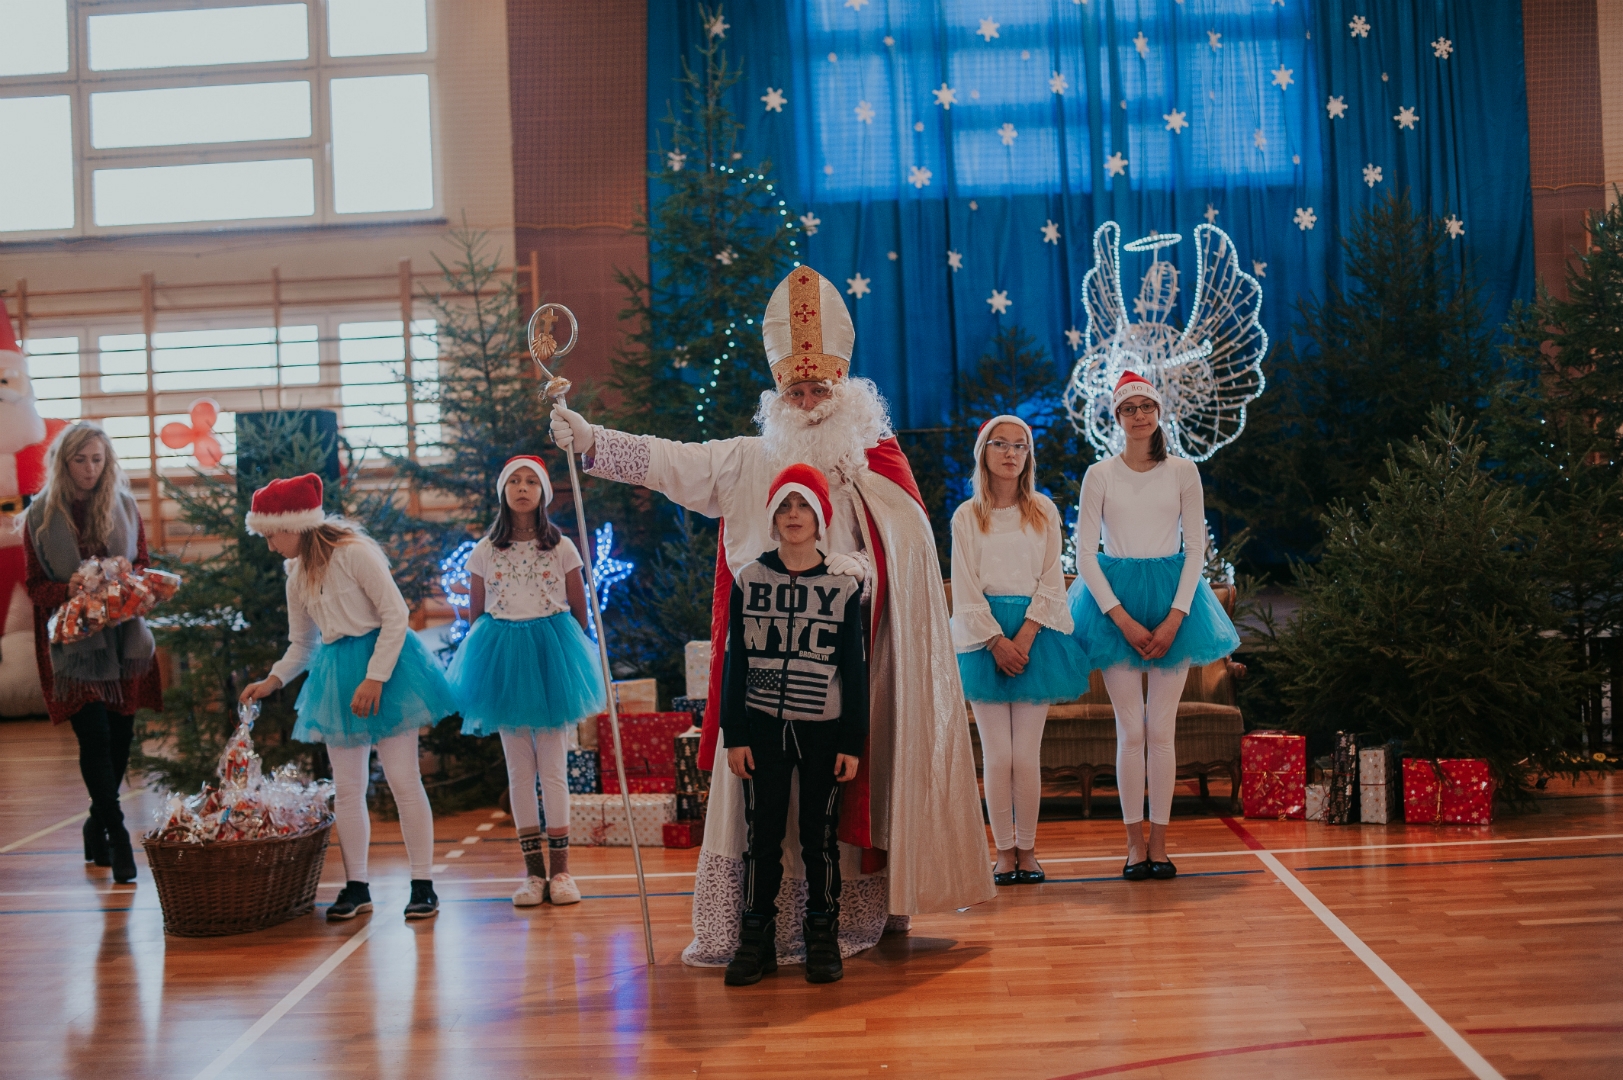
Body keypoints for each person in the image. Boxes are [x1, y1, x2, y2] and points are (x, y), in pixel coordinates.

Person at [550, 265, 994, 968]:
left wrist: (859, 576)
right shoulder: (747, 460)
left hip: (846, 666)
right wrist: (592, 441)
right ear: (778, 395)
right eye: (797, 390)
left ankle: (838, 921)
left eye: (821, 389)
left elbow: (907, 559)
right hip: (760, 665)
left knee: (833, 801)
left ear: (845, 389)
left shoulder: (873, 463)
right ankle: (753, 929)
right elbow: (671, 462)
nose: (809, 402)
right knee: (760, 809)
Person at [239, 473, 456, 920]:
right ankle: (357, 886)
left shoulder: (356, 553)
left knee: (403, 779)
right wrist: (273, 680)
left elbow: (395, 614)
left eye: (271, 535)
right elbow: (303, 644)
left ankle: (423, 884)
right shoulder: (295, 575)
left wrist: (375, 678)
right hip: (337, 674)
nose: (270, 546)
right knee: (348, 788)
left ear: (294, 525)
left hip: (388, 669)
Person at [1068, 373, 1240, 881]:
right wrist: (1119, 618)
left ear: (1158, 413)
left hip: (1173, 602)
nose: (1139, 415)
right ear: (1117, 417)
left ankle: (1159, 845)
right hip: (1114, 605)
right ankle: (1132, 846)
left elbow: (1195, 549)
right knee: (1130, 730)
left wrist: (1175, 618)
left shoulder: (1183, 471)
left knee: (1161, 730)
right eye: (1129, 408)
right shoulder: (1099, 475)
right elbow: (1085, 554)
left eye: (1146, 406)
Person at [721, 465, 867, 986]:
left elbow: (854, 667)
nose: (793, 515)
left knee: (818, 837)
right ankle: (755, 937)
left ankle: (822, 934)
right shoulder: (749, 579)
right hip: (762, 728)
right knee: (762, 837)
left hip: (824, 729)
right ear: (772, 516)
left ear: (820, 515)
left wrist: (852, 740)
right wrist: (734, 734)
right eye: (784, 506)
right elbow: (734, 662)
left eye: (803, 505)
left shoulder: (841, 585)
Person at [446, 456, 604, 908]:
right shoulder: (484, 550)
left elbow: (579, 612)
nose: (521, 488)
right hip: (503, 657)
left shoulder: (562, 547)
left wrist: (567, 658)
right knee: (519, 771)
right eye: (513, 481)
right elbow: (477, 615)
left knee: (553, 769)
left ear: (543, 493)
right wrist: (492, 660)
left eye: (530, 481)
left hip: (552, 656)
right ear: (503, 491)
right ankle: (533, 874)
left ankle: (561, 872)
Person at [950, 416, 1088, 887]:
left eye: (1020, 446)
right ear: (983, 453)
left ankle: (1027, 851)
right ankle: (1003, 853)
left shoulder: (1043, 510)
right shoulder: (967, 516)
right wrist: (995, 641)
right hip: (984, 639)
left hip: (1036, 635)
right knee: (997, 755)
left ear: (1028, 455)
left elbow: (1052, 579)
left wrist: (1025, 637)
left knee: (1026, 756)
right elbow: (965, 585)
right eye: (1000, 444)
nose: (1010, 453)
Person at [23, 423, 164, 884]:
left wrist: (127, 577)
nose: (89, 469)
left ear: (108, 462)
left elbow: (142, 564)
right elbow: (35, 587)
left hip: (124, 639)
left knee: (120, 737)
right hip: (74, 646)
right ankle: (117, 834)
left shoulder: (124, 504)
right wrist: (70, 588)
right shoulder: (40, 514)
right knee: (96, 737)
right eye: (80, 460)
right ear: (63, 463)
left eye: (97, 460)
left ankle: (94, 823)